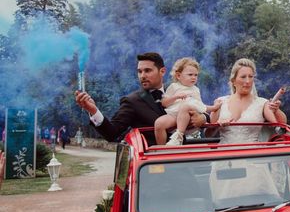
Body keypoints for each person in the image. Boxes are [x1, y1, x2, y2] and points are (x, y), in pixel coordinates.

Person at [75, 52, 208, 146]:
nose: (142, 75)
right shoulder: (132, 101)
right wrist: (93, 111)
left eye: (147, 71)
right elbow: (112, 133)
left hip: (182, 162)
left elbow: (201, 107)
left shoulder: (178, 88)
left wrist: (203, 118)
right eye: (140, 71)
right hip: (152, 168)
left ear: (162, 71)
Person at [210, 58, 286, 144]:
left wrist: (276, 110)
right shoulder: (220, 102)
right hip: (224, 155)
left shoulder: (262, 103)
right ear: (233, 81)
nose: (248, 81)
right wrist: (217, 124)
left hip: (251, 155)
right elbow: (208, 134)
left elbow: (282, 125)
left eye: (251, 77)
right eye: (243, 77)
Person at [154, 57, 217, 146]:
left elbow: (200, 106)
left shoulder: (195, 90)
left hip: (188, 116)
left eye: (196, 75)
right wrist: (176, 97)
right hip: (174, 115)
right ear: (178, 76)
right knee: (159, 123)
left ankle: (178, 136)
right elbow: (164, 103)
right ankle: (162, 149)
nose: (193, 77)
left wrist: (214, 107)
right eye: (190, 75)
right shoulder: (173, 86)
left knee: (186, 106)